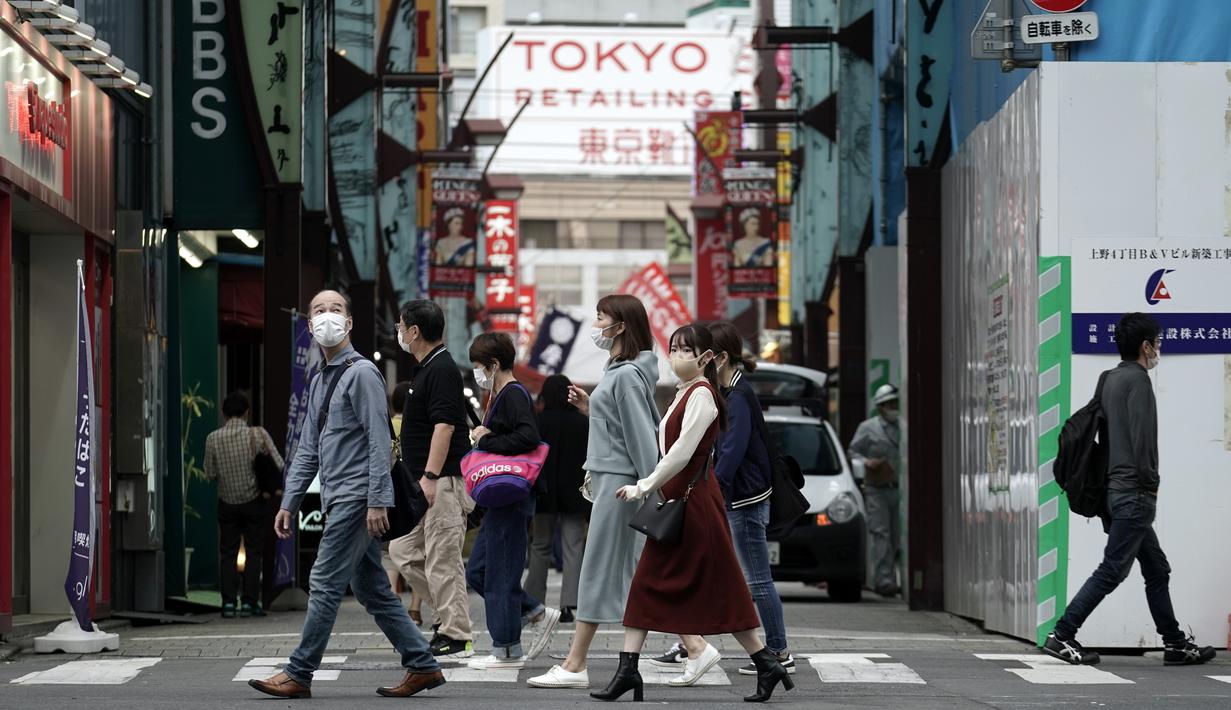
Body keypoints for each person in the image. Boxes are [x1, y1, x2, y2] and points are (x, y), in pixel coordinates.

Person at [249, 290, 444, 700]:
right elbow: (307, 448)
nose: (327, 317)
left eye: (336, 310)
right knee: (372, 588)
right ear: (309, 326)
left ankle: (299, 672)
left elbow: (379, 439)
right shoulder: (320, 379)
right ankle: (422, 664)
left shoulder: (362, 374)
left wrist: (378, 499)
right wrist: (290, 501)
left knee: (322, 581)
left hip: (357, 498)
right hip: (339, 497)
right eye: (318, 311)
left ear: (349, 324)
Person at [593, 324, 792, 704]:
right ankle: (629, 670)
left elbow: (683, 452)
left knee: (719, 587)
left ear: (705, 358)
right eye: (673, 348)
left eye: (685, 350)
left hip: (693, 503)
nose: (676, 355)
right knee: (657, 584)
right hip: (680, 502)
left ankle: (765, 661)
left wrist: (644, 485)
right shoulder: (685, 392)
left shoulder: (703, 395)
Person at [1043, 313, 1216, 667]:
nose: (1158, 350)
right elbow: (1141, 443)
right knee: (1113, 569)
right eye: (1157, 343)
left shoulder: (1108, 378)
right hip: (1134, 492)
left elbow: (1103, 439)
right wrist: (1150, 486)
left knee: (1157, 568)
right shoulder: (1138, 381)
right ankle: (1061, 635)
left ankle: (1175, 644)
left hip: (1113, 490)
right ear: (1145, 346)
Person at [527, 294, 660, 690]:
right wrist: (592, 410)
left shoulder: (626, 375)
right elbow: (624, 429)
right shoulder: (620, 369)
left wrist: (646, 486)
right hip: (617, 483)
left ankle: (575, 662)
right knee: (631, 571)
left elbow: (642, 441)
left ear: (620, 326)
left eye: (601, 317)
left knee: (600, 570)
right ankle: (695, 645)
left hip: (621, 486)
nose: (596, 325)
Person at [650, 321, 794, 679]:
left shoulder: (738, 396)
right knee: (711, 573)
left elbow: (729, 455)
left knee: (755, 578)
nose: (694, 359)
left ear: (720, 357)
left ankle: (776, 650)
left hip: (743, 499)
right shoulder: (725, 391)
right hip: (733, 496)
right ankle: (690, 644)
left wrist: (713, 491)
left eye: (702, 354)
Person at [463, 332, 562, 670]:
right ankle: (533, 611)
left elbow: (527, 437)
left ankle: (506, 649)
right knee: (478, 571)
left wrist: (486, 438)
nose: (478, 373)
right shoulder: (500, 395)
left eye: (479, 366)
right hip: (501, 497)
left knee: (500, 573)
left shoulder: (513, 394)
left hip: (511, 495)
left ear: (493, 365)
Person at [387, 300, 476, 661]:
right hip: (426, 483)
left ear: (414, 332)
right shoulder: (427, 368)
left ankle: (456, 634)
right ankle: (448, 617)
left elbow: (445, 426)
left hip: (442, 482)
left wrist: (429, 476)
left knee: (443, 559)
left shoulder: (440, 369)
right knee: (402, 551)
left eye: (401, 325)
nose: (399, 331)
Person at [204, 391, 284, 619]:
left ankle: (228, 603)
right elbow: (278, 463)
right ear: (247, 412)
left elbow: (209, 473)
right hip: (254, 501)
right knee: (254, 552)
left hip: (227, 502)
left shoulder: (212, 438)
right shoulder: (258, 435)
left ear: (223, 413)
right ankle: (250, 602)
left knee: (227, 552)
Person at [525, 374, 590, 624]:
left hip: (543, 493)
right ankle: (568, 605)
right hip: (575, 493)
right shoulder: (582, 423)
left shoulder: (538, 422)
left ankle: (534, 603)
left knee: (540, 545)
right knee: (573, 546)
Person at [848, 383, 902, 597]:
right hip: (876, 490)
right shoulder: (868, 427)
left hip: (899, 489)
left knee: (897, 537)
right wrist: (867, 462)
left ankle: (896, 577)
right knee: (881, 534)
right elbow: (853, 451)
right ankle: (884, 580)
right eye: (888, 404)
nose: (893, 407)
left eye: (895, 403)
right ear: (880, 407)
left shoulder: (904, 426)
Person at [383, 381, 416, 612]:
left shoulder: (388, 424)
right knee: (418, 551)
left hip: (392, 489)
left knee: (389, 548)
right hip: (415, 490)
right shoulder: (416, 425)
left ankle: (393, 591)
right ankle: (415, 605)